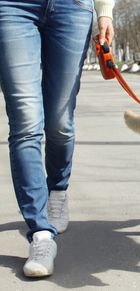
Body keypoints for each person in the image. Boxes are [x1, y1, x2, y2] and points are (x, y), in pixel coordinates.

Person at [0, 0, 114, 277]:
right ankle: (40, 234)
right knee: (26, 123)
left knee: (60, 123)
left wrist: (105, 12)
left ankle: (58, 191)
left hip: (72, 7)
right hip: (12, 7)